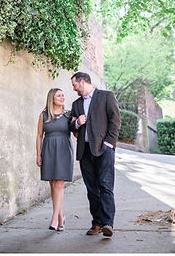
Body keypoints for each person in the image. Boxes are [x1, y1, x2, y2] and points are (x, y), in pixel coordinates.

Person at [69, 72, 121, 237]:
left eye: (75, 85)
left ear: (82, 82)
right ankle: (96, 223)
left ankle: (107, 223)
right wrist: (77, 123)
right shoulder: (76, 104)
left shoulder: (106, 96)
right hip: (84, 151)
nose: (74, 89)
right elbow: (71, 126)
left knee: (105, 186)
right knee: (92, 189)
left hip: (104, 150)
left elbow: (115, 121)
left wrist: (108, 144)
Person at [36, 88, 74, 231]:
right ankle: (61, 216)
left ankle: (54, 220)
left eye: (63, 95)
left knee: (59, 184)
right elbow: (39, 136)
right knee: (52, 184)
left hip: (64, 150)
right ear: (51, 98)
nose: (62, 97)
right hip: (49, 150)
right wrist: (38, 155)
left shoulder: (69, 115)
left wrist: (78, 123)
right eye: (59, 95)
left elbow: (76, 131)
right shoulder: (43, 115)